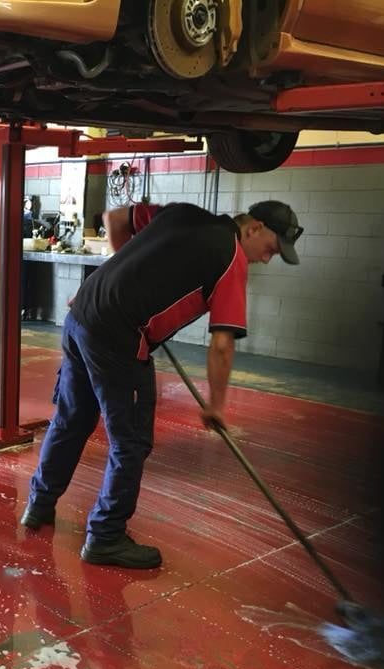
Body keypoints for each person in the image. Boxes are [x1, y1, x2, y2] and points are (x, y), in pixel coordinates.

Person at [20, 200, 304, 569]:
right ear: (254, 228)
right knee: (131, 441)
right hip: (117, 336)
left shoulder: (182, 213)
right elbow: (221, 345)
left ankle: (38, 506)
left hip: (82, 314)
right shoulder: (232, 258)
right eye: (270, 250)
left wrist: (121, 281)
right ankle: (106, 536)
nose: (266, 259)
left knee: (72, 419)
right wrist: (215, 405)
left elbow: (115, 219)